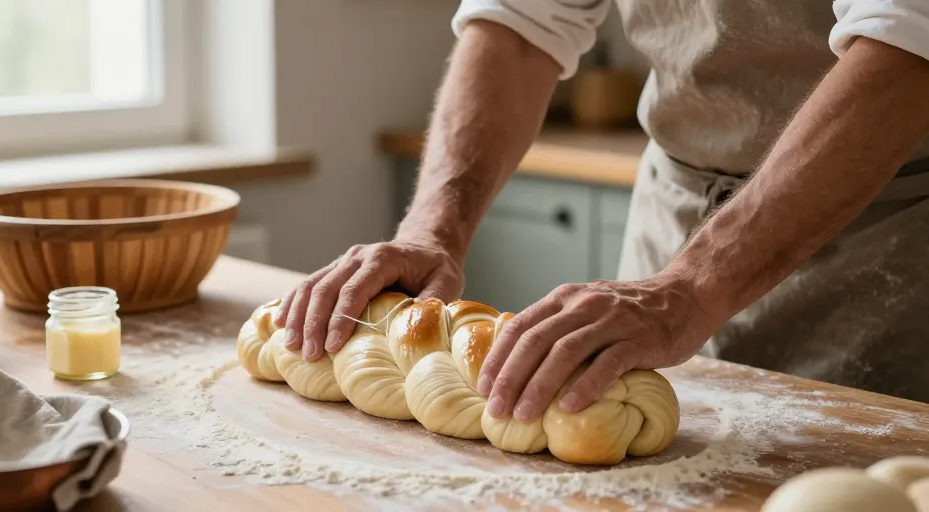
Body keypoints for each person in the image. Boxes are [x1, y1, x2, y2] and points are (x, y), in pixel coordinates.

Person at [274, 0, 929, 426]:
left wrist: (692, 287)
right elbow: (520, 24)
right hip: (673, 219)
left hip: (887, 238)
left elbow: (907, 48)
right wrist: (432, 230)